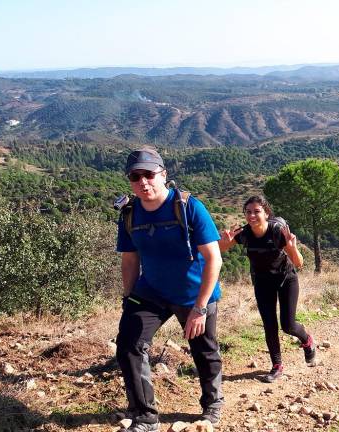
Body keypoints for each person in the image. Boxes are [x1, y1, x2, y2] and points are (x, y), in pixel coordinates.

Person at [115, 148, 224, 432]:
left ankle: (212, 404)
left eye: (149, 174)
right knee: (129, 344)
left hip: (194, 294)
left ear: (163, 175)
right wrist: (129, 298)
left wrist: (200, 308)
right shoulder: (129, 214)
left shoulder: (188, 207)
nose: (143, 181)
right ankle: (146, 417)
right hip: (151, 291)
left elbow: (214, 258)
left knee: (203, 350)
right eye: (135, 176)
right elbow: (130, 259)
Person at [218, 196, 315, 383]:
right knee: (269, 325)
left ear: (266, 213)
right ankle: (277, 366)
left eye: (257, 211)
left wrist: (293, 248)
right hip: (262, 282)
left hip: (286, 279)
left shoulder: (277, 232)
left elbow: (299, 263)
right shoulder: (244, 233)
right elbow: (220, 249)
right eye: (248, 212)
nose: (252, 215)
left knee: (287, 325)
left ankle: (307, 340)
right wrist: (224, 241)